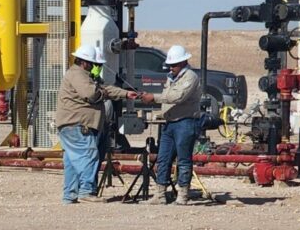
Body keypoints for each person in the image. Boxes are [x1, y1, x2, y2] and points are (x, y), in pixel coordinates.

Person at [54, 42, 127, 204]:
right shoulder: (78, 75)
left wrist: (126, 94)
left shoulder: (85, 77)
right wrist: (102, 92)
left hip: (75, 125)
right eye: (94, 64)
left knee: (73, 162)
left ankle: (70, 195)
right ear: (85, 62)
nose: (96, 67)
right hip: (78, 125)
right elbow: (92, 94)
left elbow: (104, 89)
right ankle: (86, 191)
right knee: (89, 156)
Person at [132, 45, 204, 203]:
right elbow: (167, 96)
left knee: (183, 160)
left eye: (174, 65)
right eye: (170, 65)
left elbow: (177, 97)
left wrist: (154, 97)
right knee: (163, 158)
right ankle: (160, 194)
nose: (171, 68)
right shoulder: (171, 78)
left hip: (185, 122)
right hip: (170, 123)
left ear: (183, 62)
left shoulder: (190, 77)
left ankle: (183, 194)